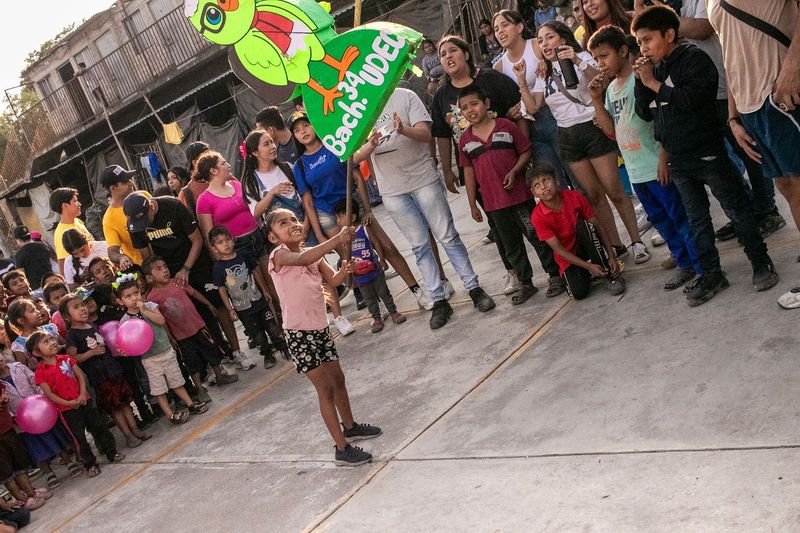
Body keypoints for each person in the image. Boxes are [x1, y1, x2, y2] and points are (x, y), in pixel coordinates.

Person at [632, 5, 779, 306]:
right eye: (639, 43)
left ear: (669, 34)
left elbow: (691, 100)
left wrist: (652, 83)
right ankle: (712, 273)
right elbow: (643, 113)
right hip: (679, 159)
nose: (643, 48)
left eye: (647, 40)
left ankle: (761, 262)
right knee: (697, 219)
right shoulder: (653, 70)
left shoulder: (694, 59)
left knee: (737, 209)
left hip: (707, 152)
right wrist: (641, 81)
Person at [352, 87, 488, 329]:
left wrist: (403, 129)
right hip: (392, 190)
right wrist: (371, 145)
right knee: (419, 246)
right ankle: (438, 299)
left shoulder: (405, 95)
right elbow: (353, 157)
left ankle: (474, 288)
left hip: (423, 178)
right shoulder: (357, 107)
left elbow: (427, 134)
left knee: (447, 235)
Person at [516, 21, 650, 263]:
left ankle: (637, 241)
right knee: (593, 195)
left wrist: (577, 60)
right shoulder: (542, 71)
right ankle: (616, 245)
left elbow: (604, 80)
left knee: (614, 189)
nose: (545, 44)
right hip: (566, 136)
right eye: (541, 40)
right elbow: (534, 106)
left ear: (564, 38)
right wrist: (522, 81)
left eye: (550, 37)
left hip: (592, 127)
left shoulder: (583, 57)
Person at [588, 25, 700, 290]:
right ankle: (683, 261)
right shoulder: (612, 88)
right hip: (636, 170)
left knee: (679, 217)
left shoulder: (641, 79)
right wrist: (595, 100)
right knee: (661, 220)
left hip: (656, 165)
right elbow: (610, 132)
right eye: (595, 59)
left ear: (623, 51)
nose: (599, 64)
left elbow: (662, 120)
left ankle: (700, 265)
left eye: (604, 56)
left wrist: (664, 158)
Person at [266, 209, 382, 466]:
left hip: (319, 328)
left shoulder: (313, 257)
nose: (292, 225)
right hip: (299, 334)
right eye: (283, 224)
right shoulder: (279, 256)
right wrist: (338, 238)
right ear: (273, 237)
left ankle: (349, 426)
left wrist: (344, 269)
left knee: (338, 379)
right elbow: (304, 256)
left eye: (294, 220)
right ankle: (341, 448)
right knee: (325, 388)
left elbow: (335, 280)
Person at [707, 0, 800, 309]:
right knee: (787, 187)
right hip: (750, 108)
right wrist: (734, 117)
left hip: (780, 94)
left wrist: (791, 68)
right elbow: (729, 52)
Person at [289, 112, 424, 316]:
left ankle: (418, 291)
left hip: (353, 206)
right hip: (328, 215)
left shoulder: (334, 145)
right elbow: (308, 201)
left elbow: (357, 175)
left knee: (387, 247)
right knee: (353, 262)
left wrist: (367, 208)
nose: (303, 132)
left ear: (315, 125)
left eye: (305, 126)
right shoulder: (299, 165)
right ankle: (376, 309)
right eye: (297, 131)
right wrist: (320, 234)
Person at [431, 35, 526, 293]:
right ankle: (513, 271)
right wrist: (448, 169)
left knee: (528, 217)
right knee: (497, 223)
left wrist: (524, 147)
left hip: (511, 160)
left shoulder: (490, 80)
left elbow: (519, 106)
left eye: (453, 51)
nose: (448, 57)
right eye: (443, 54)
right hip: (477, 169)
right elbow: (441, 133)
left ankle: (553, 266)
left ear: (466, 54)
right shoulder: (441, 96)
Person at [458, 84, 564, 304]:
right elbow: (468, 172)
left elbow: (525, 151)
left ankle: (555, 275)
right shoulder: (465, 141)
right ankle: (526, 283)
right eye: (464, 108)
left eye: (474, 104)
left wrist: (515, 171)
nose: (470, 110)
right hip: (493, 204)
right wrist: (472, 204)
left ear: (486, 104)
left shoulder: (505, 126)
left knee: (536, 235)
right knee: (511, 245)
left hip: (520, 197)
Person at [123, 191, 243, 367]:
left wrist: (186, 268)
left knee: (216, 306)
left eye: (143, 220)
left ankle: (236, 351)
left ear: (151, 207)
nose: (141, 225)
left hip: (196, 262)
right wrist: (158, 280)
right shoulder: (134, 224)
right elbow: (146, 255)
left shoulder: (173, 206)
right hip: (168, 272)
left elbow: (197, 240)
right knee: (191, 314)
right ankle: (215, 356)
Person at [143, 255, 239, 404]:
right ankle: (200, 388)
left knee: (211, 350)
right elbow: (162, 321)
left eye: (165, 267)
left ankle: (220, 375)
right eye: (158, 269)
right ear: (149, 278)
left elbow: (194, 293)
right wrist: (171, 337)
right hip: (182, 336)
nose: (165, 271)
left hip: (199, 326)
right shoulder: (152, 297)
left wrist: (209, 305)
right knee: (192, 362)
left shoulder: (177, 282)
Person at [114, 274, 209, 424]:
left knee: (176, 381)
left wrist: (144, 311)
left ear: (141, 292)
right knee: (159, 389)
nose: (134, 298)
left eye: (136, 293)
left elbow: (161, 320)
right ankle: (170, 414)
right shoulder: (125, 321)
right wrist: (124, 350)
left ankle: (190, 404)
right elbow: (126, 341)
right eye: (128, 296)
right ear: (120, 301)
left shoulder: (150, 306)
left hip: (165, 350)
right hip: (149, 358)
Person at [59, 293, 150, 449]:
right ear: (67, 316)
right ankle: (128, 436)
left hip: (113, 369)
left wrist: (118, 352)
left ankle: (136, 430)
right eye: (76, 307)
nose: (82, 309)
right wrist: (91, 353)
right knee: (115, 407)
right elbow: (72, 358)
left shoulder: (93, 326)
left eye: (82, 305)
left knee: (126, 402)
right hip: (99, 377)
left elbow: (107, 347)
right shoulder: (72, 335)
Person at [30, 331, 125, 478]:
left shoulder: (66, 359)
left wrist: (82, 394)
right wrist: (68, 403)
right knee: (79, 438)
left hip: (84, 401)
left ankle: (111, 452)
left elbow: (81, 376)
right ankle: (90, 463)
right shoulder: (40, 373)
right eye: (46, 342)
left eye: (51, 339)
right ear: (36, 352)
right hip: (67, 410)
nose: (52, 342)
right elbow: (49, 394)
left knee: (99, 426)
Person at [493, 9, 568, 188]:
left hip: (555, 115)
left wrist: (547, 62)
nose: (500, 31)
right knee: (553, 182)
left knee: (576, 173)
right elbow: (506, 102)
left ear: (519, 27)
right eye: (496, 29)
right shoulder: (499, 66)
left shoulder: (538, 45)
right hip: (530, 126)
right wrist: (510, 114)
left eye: (505, 25)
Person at [529, 162, 626, 298]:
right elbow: (559, 250)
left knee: (584, 225)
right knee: (578, 294)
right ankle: (589, 273)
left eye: (546, 180)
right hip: (568, 256)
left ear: (556, 181)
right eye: (537, 185)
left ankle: (608, 274)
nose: (543, 187)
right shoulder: (537, 217)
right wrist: (588, 267)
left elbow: (597, 226)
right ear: (534, 193)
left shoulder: (573, 197)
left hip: (586, 244)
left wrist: (611, 256)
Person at [209, 227, 287, 368]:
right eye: (220, 242)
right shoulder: (218, 268)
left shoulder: (243, 255)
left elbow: (255, 272)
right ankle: (268, 355)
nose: (225, 244)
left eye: (227, 240)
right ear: (214, 248)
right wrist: (230, 308)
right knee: (257, 335)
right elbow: (221, 289)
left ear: (233, 240)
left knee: (272, 327)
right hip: (243, 308)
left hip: (258, 300)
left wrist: (264, 290)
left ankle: (283, 348)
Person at [333, 200, 407, 333]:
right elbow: (345, 255)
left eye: (340, 216)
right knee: (369, 298)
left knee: (383, 292)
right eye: (337, 217)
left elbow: (376, 243)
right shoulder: (343, 237)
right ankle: (377, 318)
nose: (337, 221)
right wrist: (349, 272)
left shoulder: (364, 229)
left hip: (374, 268)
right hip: (359, 275)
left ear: (353, 217)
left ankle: (393, 312)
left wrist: (382, 259)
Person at [239, 130, 305, 225]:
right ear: (255, 152)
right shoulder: (250, 181)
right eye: (266, 144)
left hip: (302, 223)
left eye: (272, 142)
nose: (273, 147)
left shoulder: (287, 168)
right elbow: (255, 213)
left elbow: (305, 195)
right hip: (279, 234)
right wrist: (272, 193)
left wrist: (307, 223)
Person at [101, 165, 149, 270]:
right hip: (145, 268)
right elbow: (112, 251)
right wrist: (121, 257)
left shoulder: (143, 196)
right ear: (113, 188)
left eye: (129, 179)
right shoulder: (109, 219)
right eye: (125, 181)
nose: (131, 183)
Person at [49, 187, 92, 276]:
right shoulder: (62, 233)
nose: (79, 204)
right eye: (75, 201)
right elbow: (63, 266)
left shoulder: (77, 221)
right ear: (65, 205)